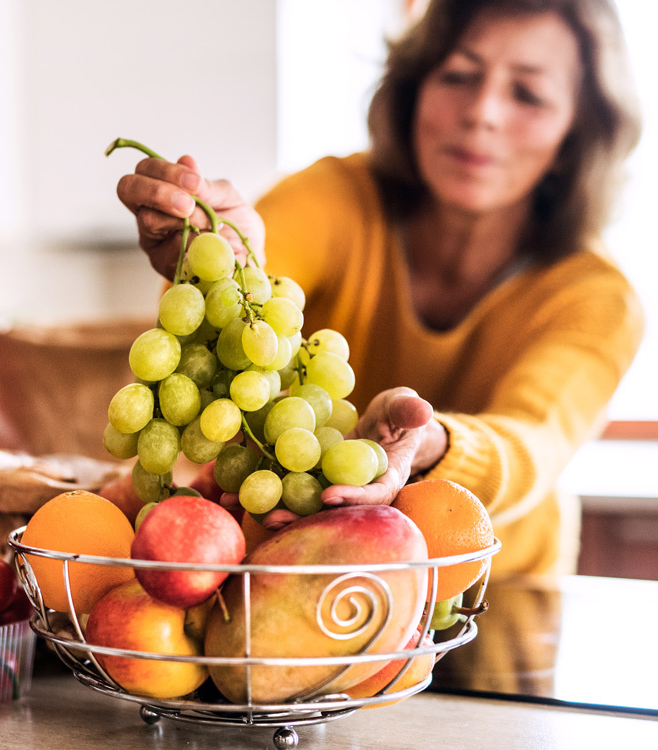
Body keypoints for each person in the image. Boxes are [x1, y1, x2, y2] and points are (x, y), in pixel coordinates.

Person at [115, 0, 643, 576]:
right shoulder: (336, 196)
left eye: (529, 95)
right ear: (415, 89)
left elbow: (533, 441)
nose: (483, 112)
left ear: (575, 135)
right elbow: (254, 284)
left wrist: (430, 442)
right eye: (459, 76)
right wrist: (219, 262)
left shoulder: (598, 296)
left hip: (490, 594)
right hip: (305, 569)